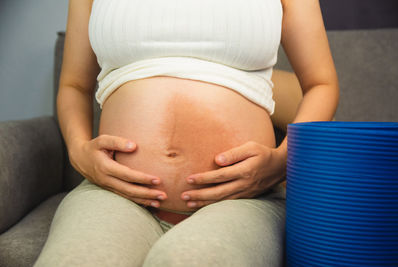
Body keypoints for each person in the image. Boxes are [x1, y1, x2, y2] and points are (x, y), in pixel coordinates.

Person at [34, 0, 339, 266]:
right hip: (114, 193)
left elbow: (321, 85)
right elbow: (74, 86)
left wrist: (283, 161)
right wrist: (78, 151)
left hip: (240, 199)